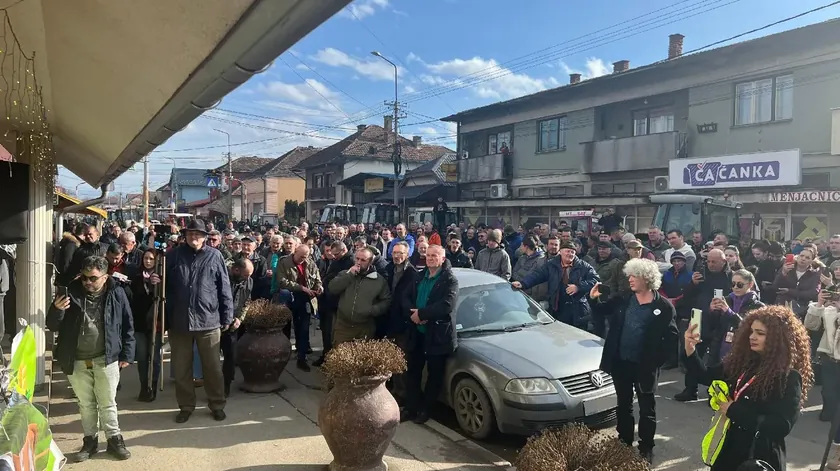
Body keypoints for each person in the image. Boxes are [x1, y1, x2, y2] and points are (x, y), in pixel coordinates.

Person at [684, 305, 814, 471]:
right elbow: (704, 375)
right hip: (729, 446)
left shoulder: (789, 377)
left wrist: (734, 410)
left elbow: (781, 426)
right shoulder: (742, 362)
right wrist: (690, 348)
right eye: (751, 331)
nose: (752, 337)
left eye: (760, 333)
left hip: (758, 455)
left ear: (778, 338)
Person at [590, 258, 678, 464]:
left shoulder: (663, 307)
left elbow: (672, 338)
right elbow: (603, 311)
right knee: (624, 405)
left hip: (645, 366)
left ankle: (646, 446)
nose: (629, 279)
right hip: (621, 362)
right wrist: (594, 300)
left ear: (646, 279)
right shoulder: (623, 298)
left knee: (647, 407)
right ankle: (624, 441)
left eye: (633, 276)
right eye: (628, 275)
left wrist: (656, 361)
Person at [47, 255, 134, 462]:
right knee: (86, 404)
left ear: (105, 277)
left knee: (107, 402)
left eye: (93, 278)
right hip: (76, 359)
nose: (87, 282)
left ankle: (115, 440)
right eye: (85, 278)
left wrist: (127, 354)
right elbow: (53, 325)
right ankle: (90, 441)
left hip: (106, 357)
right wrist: (57, 310)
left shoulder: (117, 293)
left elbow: (128, 324)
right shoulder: (71, 291)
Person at [164, 219, 234, 424]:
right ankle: (186, 406)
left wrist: (227, 315)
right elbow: (163, 285)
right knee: (182, 368)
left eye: (198, 234)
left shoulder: (215, 256)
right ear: (185, 236)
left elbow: (224, 288)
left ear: (205, 236)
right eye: (190, 234)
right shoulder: (174, 255)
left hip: (209, 320)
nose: (194, 237)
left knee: (212, 367)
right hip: (180, 321)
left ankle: (217, 404)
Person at [400, 245, 459, 425]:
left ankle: (426, 410)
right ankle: (411, 408)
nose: (431, 258)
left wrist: (423, 314)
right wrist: (413, 314)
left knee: (434, 376)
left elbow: (447, 305)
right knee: (413, 373)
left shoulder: (449, 280)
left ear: (442, 258)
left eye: (435, 256)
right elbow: (405, 296)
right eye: (428, 255)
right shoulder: (419, 276)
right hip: (417, 333)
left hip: (437, 335)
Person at [513, 240, 598, 329]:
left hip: (578, 310)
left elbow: (595, 280)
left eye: (572, 252)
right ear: (560, 252)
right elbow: (537, 275)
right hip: (557, 307)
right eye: (567, 251)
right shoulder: (551, 264)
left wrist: (579, 287)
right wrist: (523, 283)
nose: (570, 254)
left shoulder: (583, 266)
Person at [329, 246, 392, 345]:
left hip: (364, 328)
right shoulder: (345, 274)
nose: (359, 262)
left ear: (370, 262)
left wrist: (373, 310)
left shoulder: (378, 280)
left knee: (361, 359)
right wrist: (349, 275)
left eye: (363, 260)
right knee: (341, 358)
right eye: (357, 259)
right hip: (343, 326)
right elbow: (332, 288)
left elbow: (386, 300)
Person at [275, 244, 323, 371]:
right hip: (289, 296)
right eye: (301, 256)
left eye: (305, 257)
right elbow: (282, 281)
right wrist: (301, 288)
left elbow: (317, 278)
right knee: (285, 326)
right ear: (295, 252)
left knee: (303, 327)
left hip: (305, 298)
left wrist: (319, 287)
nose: (303, 259)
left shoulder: (310, 262)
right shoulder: (284, 262)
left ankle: (301, 357)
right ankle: (283, 352)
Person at [129, 249, 163, 402]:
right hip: (139, 323)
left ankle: (153, 386)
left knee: (155, 357)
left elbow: (163, 298)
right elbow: (133, 297)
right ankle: (144, 386)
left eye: (151, 259)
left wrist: (157, 285)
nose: (148, 261)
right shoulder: (136, 277)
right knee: (142, 357)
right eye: (145, 258)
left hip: (155, 322)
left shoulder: (161, 277)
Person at [223, 257, 252, 397]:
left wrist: (240, 319)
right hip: (217, 323)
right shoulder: (222, 277)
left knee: (231, 356)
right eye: (245, 275)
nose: (247, 278)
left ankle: (226, 384)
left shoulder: (249, 281)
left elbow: (247, 302)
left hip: (234, 324)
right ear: (236, 270)